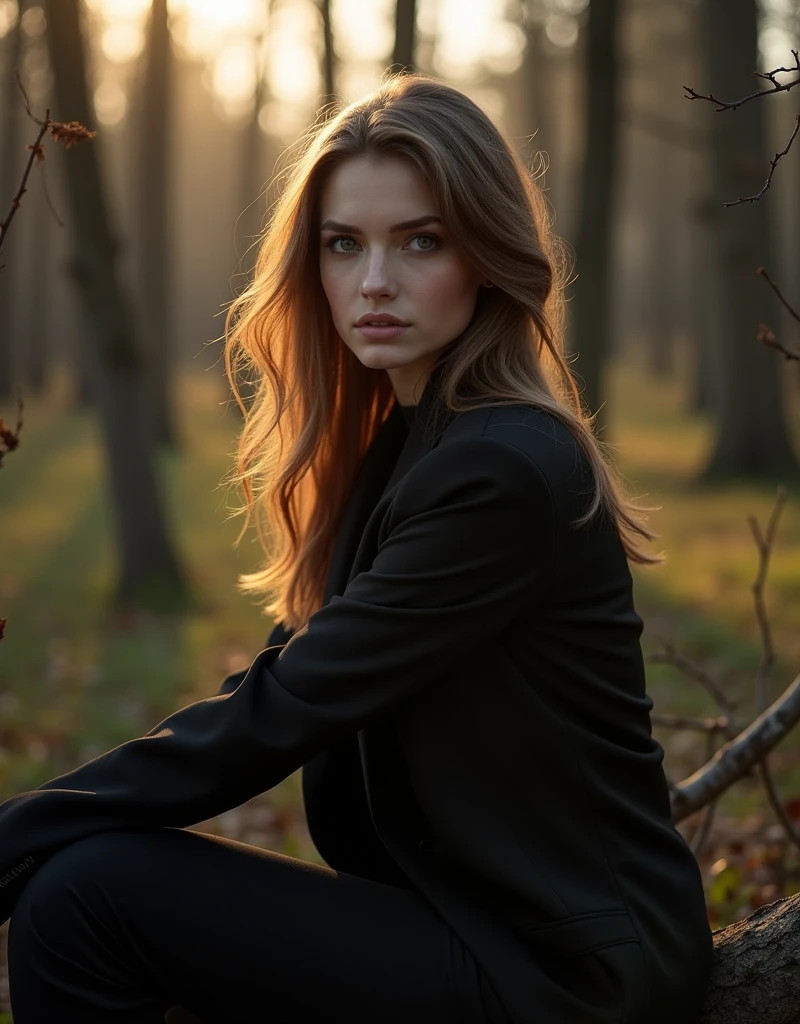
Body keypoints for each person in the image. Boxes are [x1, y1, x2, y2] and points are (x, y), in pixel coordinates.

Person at [0, 72, 713, 1024]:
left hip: (570, 972)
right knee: (86, 886)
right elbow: (282, 676)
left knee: (84, 898)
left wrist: (16, 837)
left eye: (421, 240)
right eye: (345, 245)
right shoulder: (414, 442)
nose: (374, 281)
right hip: (478, 926)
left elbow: (287, 706)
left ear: (488, 254)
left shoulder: (500, 468)